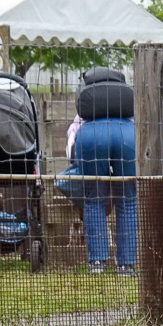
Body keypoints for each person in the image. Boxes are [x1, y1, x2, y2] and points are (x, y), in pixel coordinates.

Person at [55, 69, 136, 276]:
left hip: (90, 136)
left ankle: (97, 262)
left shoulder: (85, 111)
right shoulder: (125, 107)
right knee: (127, 200)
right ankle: (126, 265)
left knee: (94, 198)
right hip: (127, 134)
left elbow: (72, 146)